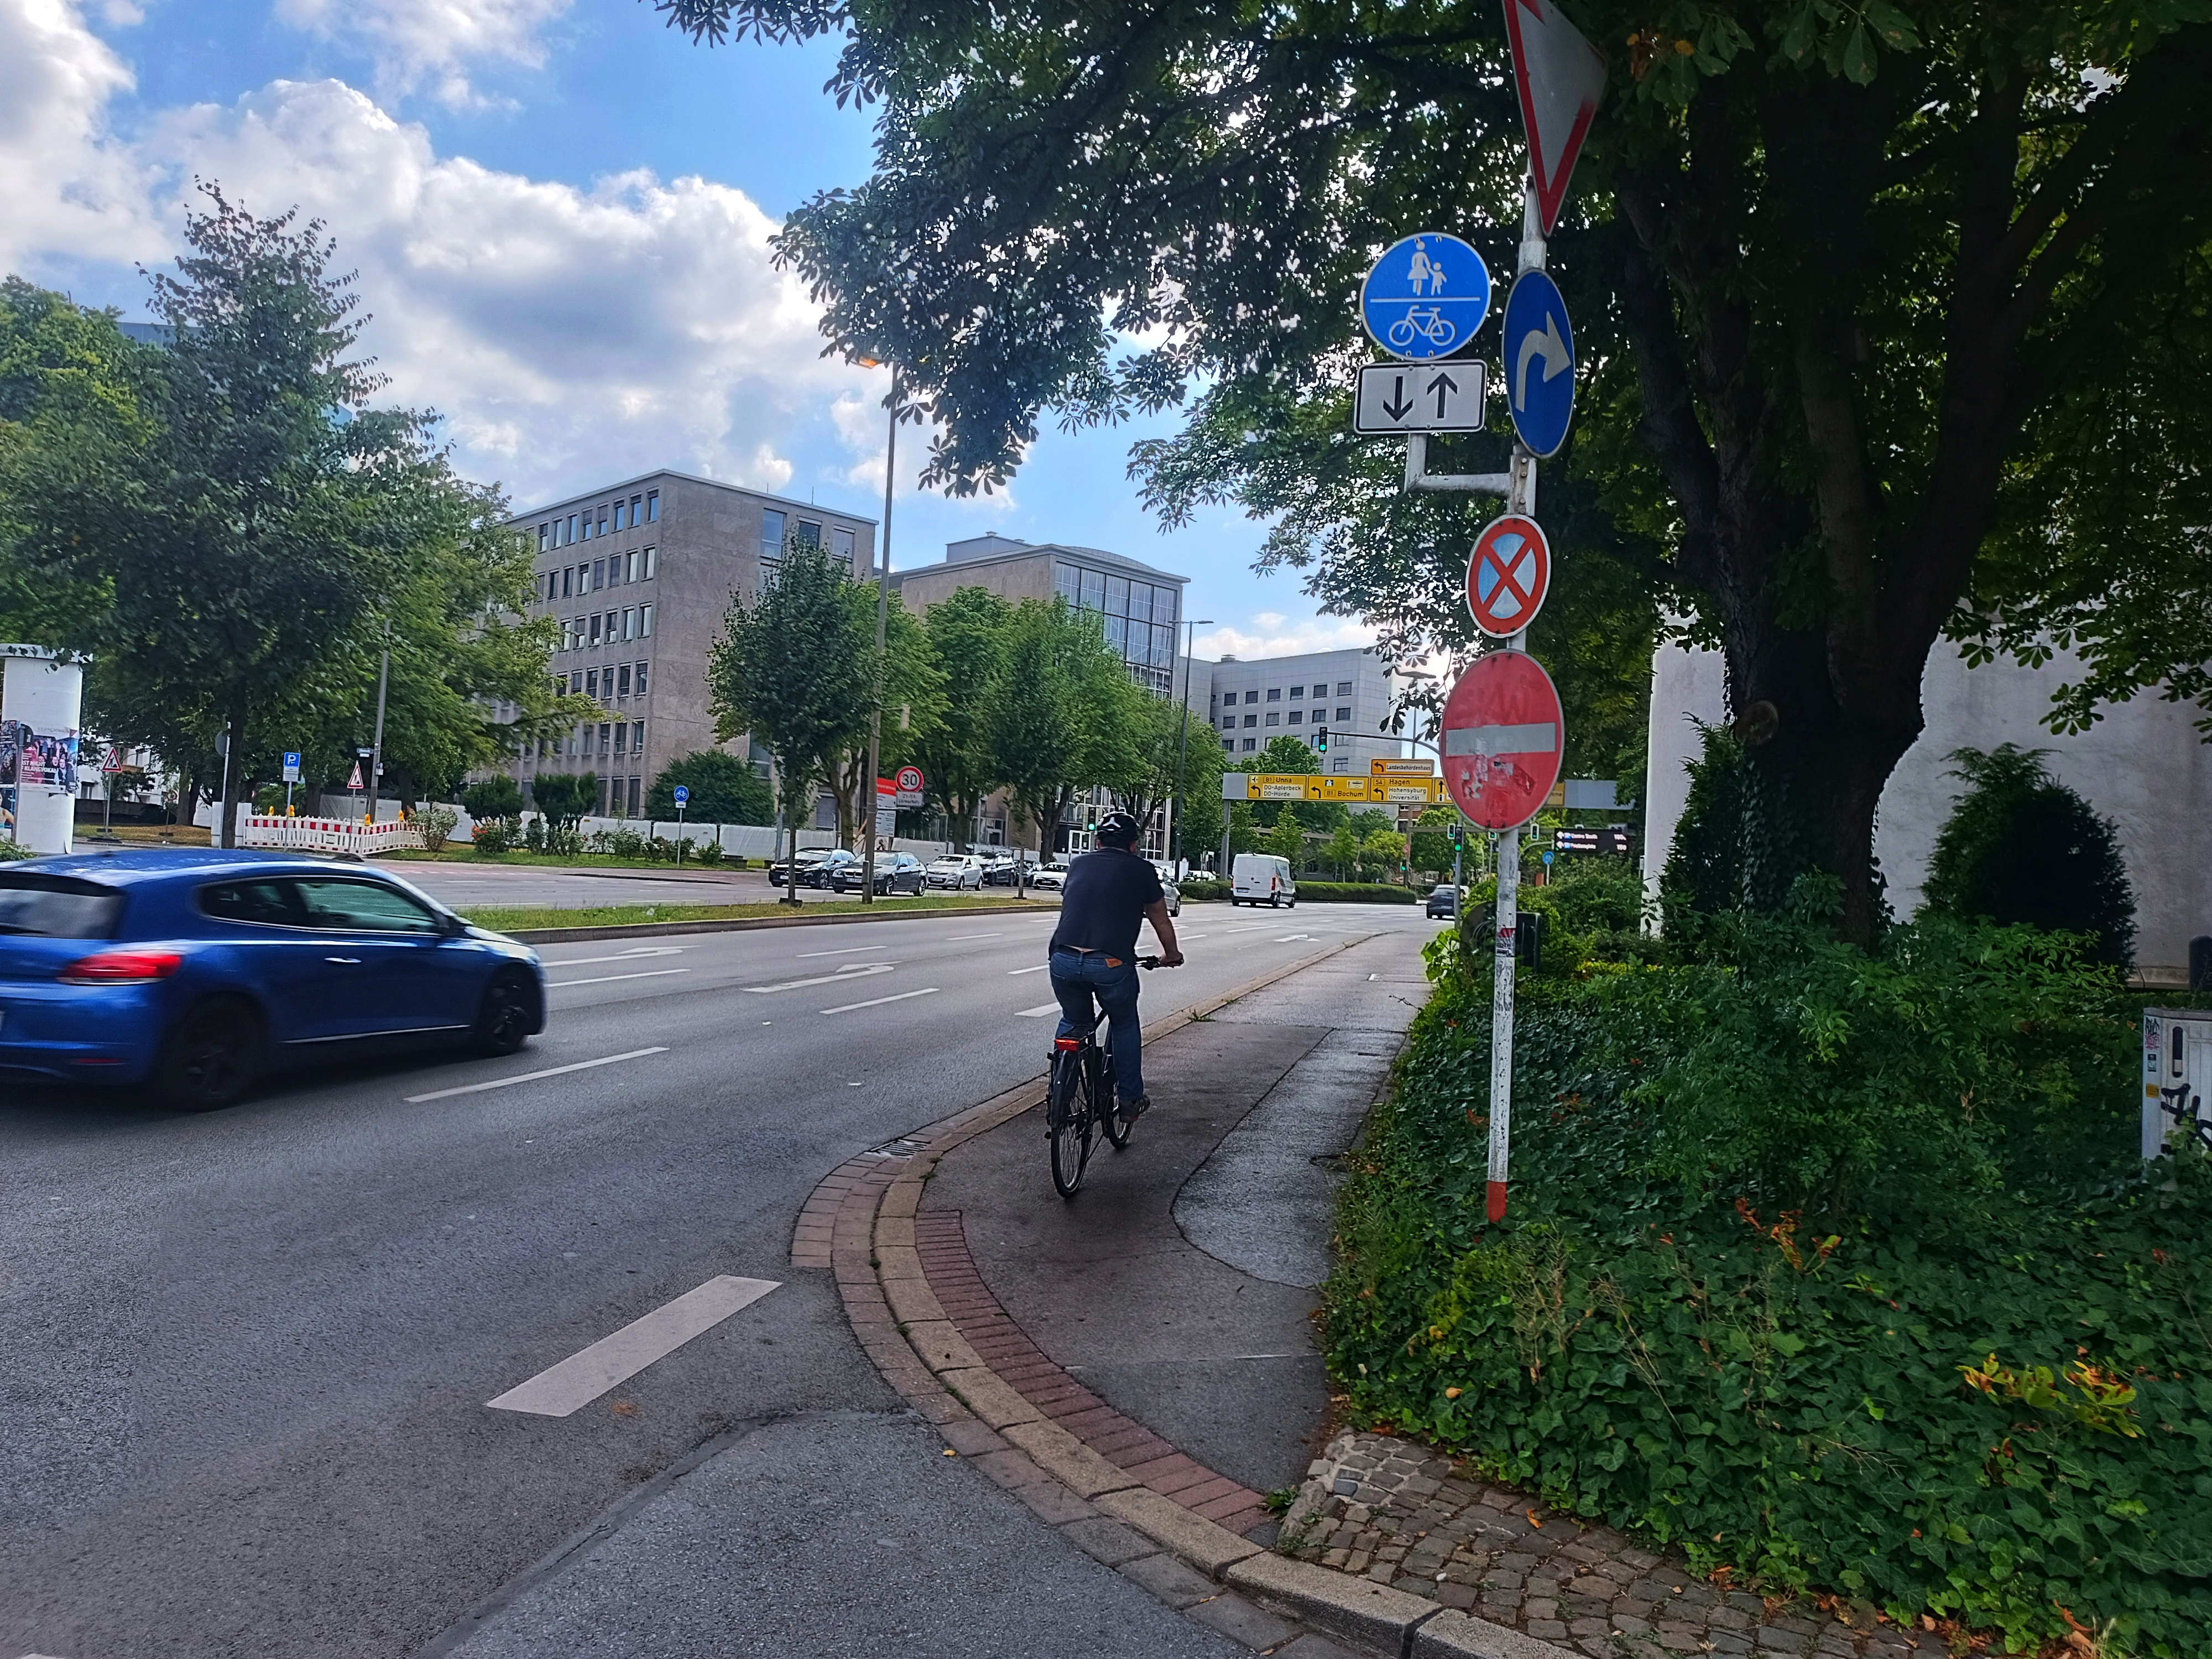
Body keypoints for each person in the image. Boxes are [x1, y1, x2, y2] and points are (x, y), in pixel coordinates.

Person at [1046, 810, 1183, 1119]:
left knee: (1073, 1020)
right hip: (1110, 963)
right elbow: (1160, 919)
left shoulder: (1078, 864)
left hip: (1063, 958)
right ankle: (1130, 1100)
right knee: (1124, 1023)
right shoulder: (1142, 870)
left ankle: (1059, 1101)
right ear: (1134, 845)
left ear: (1098, 842)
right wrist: (1171, 955)